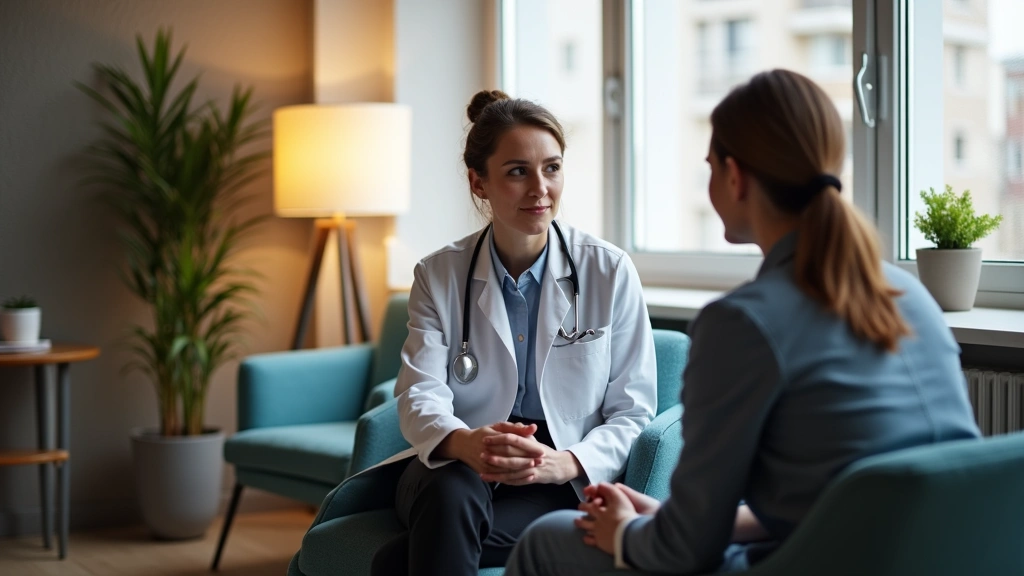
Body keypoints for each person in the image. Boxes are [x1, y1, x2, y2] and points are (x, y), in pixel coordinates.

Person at [505, 69, 982, 576]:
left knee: (548, 539)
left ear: (735, 177)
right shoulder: (909, 295)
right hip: (934, 557)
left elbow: (683, 552)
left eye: (710, 166)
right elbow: (837, 500)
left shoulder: (742, 323)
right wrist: (671, 518)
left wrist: (627, 532)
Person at [369, 90, 658, 576]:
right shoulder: (438, 275)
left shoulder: (608, 271)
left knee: (402, 560)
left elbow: (633, 408)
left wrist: (565, 463)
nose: (540, 188)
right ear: (478, 182)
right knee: (451, 492)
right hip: (456, 457)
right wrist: (465, 444)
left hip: (556, 466)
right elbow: (419, 393)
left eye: (552, 167)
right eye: (517, 171)